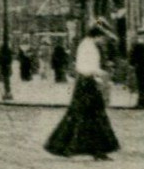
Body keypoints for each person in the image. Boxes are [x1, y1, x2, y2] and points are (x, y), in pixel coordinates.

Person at [45, 19, 121, 161]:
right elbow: (82, 67)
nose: (102, 41)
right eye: (101, 37)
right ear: (97, 35)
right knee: (85, 116)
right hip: (86, 84)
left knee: (88, 116)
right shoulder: (87, 46)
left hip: (88, 83)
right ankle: (70, 147)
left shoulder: (89, 44)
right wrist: (100, 73)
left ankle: (93, 149)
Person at [128, 29, 144, 109]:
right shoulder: (138, 45)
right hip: (139, 67)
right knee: (141, 85)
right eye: (140, 35)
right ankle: (141, 102)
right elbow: (132, 56)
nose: (142, 36)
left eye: (143, 35)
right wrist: (132, 64)